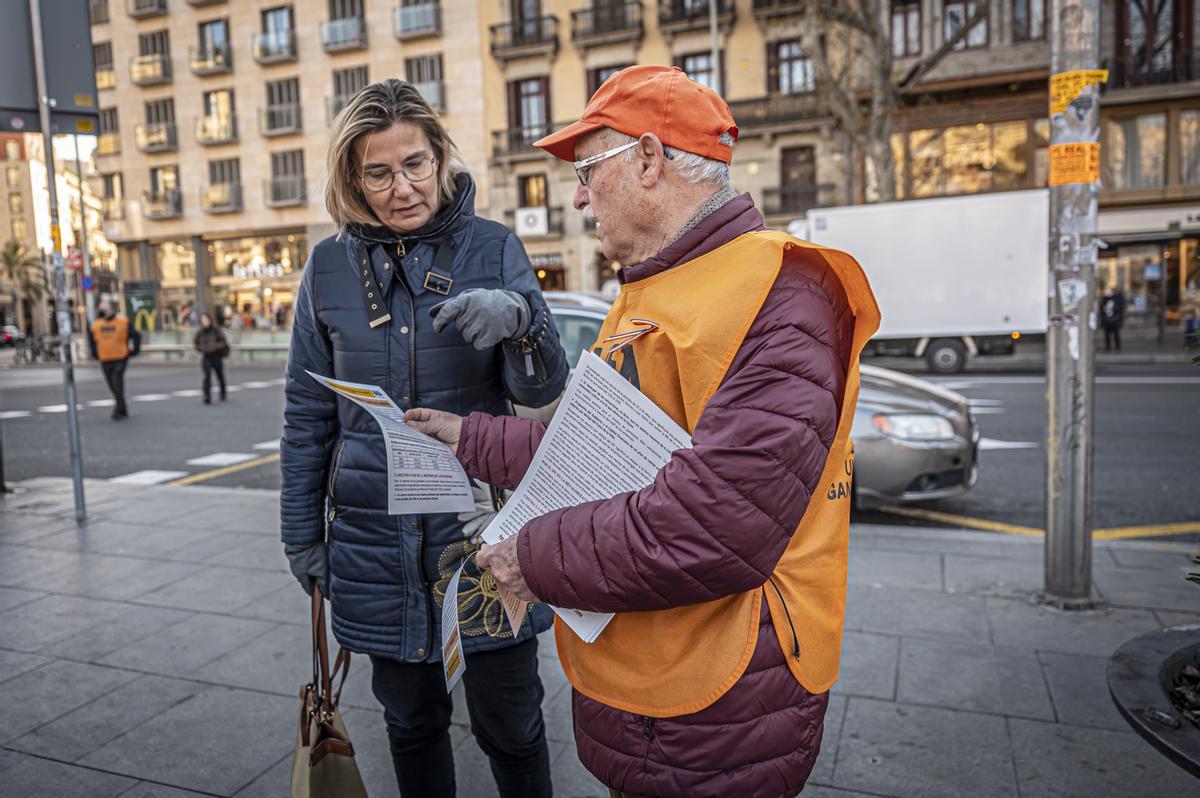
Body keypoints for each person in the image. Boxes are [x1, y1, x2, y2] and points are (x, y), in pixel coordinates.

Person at [406, 65, 881, 798]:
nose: (578, 194)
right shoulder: (656, 282)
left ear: (651, 161)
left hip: (720, 699)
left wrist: (530, 561)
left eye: (590, 170)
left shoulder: (782, 291)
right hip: (654, 680)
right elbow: (606, 454)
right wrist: (471, 437)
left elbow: (716, 527)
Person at [279, 78, 569, 798]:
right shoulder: (328, 267)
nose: (401, 188)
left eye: (414, 164)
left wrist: (523, 323)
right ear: (352, 176)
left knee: (513, 725)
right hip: (375, 549)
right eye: (377, 172)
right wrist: (299, 533)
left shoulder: (495, 247)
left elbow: (539, 396)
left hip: (485, 543)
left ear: (441, 156)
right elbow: (306, 413)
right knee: (410, 724)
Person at [88, 301, 141, 421]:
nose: (104, 312)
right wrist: (95, 353)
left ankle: (119, 410)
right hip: (105, 358)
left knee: (117, 380)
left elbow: (136, 335)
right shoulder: (96, 325)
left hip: (120, 357)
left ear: (112, 310)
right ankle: (122, 408)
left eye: (106, 309)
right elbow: (91, 341)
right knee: (112, 385)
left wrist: (134, 350)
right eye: (101, 310)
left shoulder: (122, 322)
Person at [193, 312, 229, 404]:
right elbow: (196, 344)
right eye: (202, 320)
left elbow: (223, 341)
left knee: (220, 376)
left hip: (216, 355)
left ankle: (223, 392)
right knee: (207, 377)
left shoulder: (216, 330)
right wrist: (202, 348)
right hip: (206, 356)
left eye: (206, 320)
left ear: (209, 320)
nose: (204, 322)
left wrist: (215, 347)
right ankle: (207, 396)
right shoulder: (200, 332)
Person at [1100, 281, 1126, 352]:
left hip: (1115, 319)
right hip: (1107, 319)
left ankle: (1117, 347)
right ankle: (1108, 347)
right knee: (1107, 335)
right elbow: (1102, 308)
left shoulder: (1118, 298)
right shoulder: (1105, 299)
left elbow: (1120, 309)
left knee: (1116, 334)